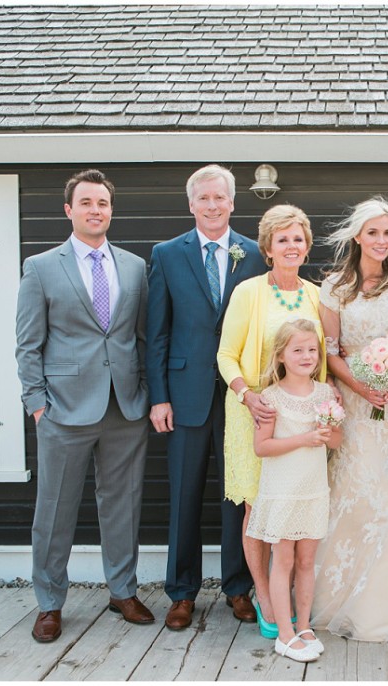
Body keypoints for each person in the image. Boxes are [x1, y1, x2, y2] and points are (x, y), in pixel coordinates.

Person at [15, 169, 153, 642]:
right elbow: (28, 344)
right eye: (87, 203)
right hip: (62, 409)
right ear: (69, 210)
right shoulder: (42, 267)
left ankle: (122, 590)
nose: (97, 210)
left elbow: (140, 338)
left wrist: (145, 394)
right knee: (54, 509)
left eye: (104, 203)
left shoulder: (135, 267)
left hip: (124, 406)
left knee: (123, 504)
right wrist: (37, 404)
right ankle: (50, 602)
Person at [146, 165, 265, 630]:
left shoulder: (255, 254)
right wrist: (159, 396)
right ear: (191, 204)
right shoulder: (167, 254)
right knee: (185, 494)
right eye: (204, 199)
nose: (212, 206)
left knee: (236, 494)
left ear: (232, 203)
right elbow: (156, 332)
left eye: (220, 198)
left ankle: (238, 587)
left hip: (240, 396)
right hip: (185, 392)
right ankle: (181, 592)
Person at [217, 204, 326, 639]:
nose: (291, 246)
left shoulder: (316, 295)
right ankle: (263, 594)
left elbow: (323, 356)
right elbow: (226, 355)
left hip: (302, 417)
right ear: (267, 248)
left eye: (298, 238)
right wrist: (248, 395)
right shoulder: (248, 292)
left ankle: (295, 600)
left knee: (297, 501)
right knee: (257, 506)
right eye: (282, 239)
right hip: (255, 413)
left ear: (307, 245)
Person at [311, 196, 388, 641]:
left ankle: (381, 608)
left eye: (387, 232)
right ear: (357, 236)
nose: (380, 240)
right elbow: (329, 352)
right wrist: (362, 387)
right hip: (353, 406)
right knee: (352, 497)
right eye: (372, 232)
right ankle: (335, 601)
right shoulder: (333, 286)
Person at [248, 318, 341, 663]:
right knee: (283, 559)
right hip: (284, 490)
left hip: (313, 489)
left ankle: (303, 626)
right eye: (297, 350)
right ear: (282, 356)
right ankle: (284, 634)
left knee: (306, 560)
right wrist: (305, 438)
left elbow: (337, 440)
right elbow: (262, 447)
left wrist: (328, 430)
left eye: (312, 350)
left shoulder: (325, 393)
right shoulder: (271, 397)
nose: (306, 356)